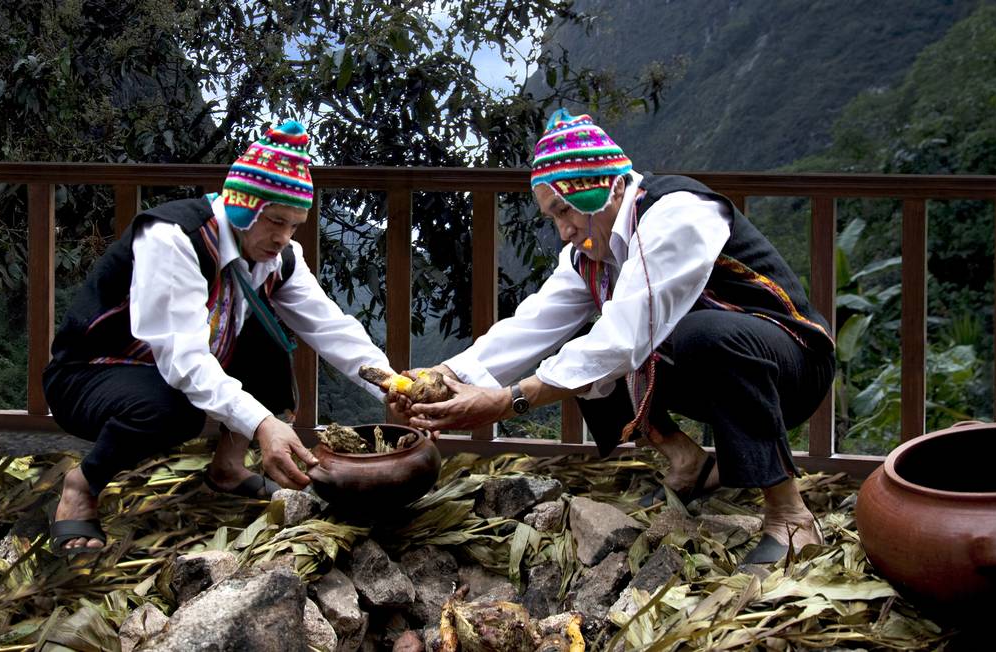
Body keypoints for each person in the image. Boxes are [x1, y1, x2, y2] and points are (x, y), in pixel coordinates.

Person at [402, 109, 835, 565]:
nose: (563, 230)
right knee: (582, 351)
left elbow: (625, 337)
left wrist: (510, 399)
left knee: (688, 336)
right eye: (553, 217)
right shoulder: (590, 254)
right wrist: (444, 375)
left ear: (607, 188)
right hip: (719, 373)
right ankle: (687, 462)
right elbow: (534, 324)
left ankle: (790, 515)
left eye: (564, 210)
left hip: (792, 364)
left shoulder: (678, 212)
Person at [44, 120, 396, 554]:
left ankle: (227, 469)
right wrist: (264, 424)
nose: (283, 237)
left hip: (177, 363)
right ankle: (83, 485)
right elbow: (184, 361)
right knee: (174, 409)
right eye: (275, 221)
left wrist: (393, 386)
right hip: (93, 373)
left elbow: (329, 326)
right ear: (243, 208)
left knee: (270, 348)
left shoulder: (280, 255)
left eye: (294, 225)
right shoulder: (174, 238)